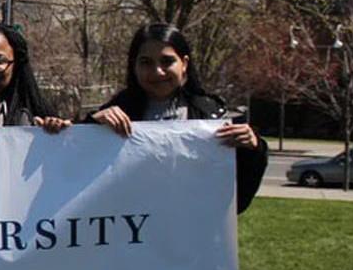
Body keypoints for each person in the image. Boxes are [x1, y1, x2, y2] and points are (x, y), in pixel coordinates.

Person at [86, 22, 269, 214]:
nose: (157, 71)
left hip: (192, 228)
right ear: (134, 66)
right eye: (146, 62)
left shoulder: (211, 114)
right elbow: (79, 175)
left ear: (184, 64)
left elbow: (237, 197)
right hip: (129, 228)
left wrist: (252, 149)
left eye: (167, 61)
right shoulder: (114, 113)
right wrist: (89, 125)